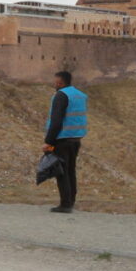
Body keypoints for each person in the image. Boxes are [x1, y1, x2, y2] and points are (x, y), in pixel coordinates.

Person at [43, 70, 88, 213]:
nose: (54, 84)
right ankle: (71, 201)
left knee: (61, 172)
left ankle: (65, 204)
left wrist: (48, 141)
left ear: (59, 82)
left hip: (62, 139)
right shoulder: (79, 95)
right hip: (76, 139)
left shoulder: (60, 96)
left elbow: (56, 122)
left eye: (55, 81)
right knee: (70, 171)